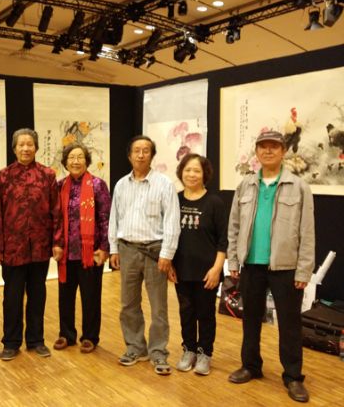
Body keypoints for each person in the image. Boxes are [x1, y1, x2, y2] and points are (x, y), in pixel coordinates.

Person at [227, 130, 315, 403]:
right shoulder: (245, 186)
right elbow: (234, 227)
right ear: (256, 152)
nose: (268, 151)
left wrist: (304, 270)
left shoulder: (299, 187)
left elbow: (307, 232)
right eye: (263, 147)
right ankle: (251, 366)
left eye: (273, 147)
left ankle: (293, 376)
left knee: (289, 325)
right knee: (250, 321)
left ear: (283, 151)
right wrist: (233, 259)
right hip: (251, 265)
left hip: (285, 267)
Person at [108, 135, 180, 375]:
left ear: (152, 155)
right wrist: (114, 248)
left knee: (158, 306)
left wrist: (167, 253)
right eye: (136, 151)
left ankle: (158, 351)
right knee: (128, 304)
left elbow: (172, 221)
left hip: (155, 251)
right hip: (127, 249)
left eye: (146, 151)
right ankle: (135, 347)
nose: (141, 155)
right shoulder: (121, 185)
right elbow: (114, 218)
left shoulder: (164, 184)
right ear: (129, 155)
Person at [0, 128, 63, 361]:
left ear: (36, 147)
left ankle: (36, 340)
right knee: (12, 297)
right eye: (21, 144)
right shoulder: (3, 176)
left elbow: (56, 211)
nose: (25, 148)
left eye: (29, 144)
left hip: (40, 247)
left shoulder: (47, 175)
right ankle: (11, 343)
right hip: (13, 248)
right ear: (14, 148)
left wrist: (57, 241)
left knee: (37, 295)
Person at [172, 153, 227, 376]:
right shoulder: (175, 200)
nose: (191, 174)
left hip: (207, 271)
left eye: (196, 170)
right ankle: (189, 350)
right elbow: (167, 234)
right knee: (186, 312)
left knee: (205, 314)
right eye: (187, 170)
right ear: (181, 173)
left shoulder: (214, 203)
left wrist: (217, 268)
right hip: (181, 269)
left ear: (205, 174)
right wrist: (169, 264)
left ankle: (205, 353)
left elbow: (223, 240)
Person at [53, 142, 111, 354]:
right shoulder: (60, 186)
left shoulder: (97, 185)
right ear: (65, 162)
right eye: (71, 157)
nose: (75, 161)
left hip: (90, 252)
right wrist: (56, 243)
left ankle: (90, 336)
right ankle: (66, 334)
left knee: (91, 297)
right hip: (67, 253)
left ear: (87, 161)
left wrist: (104, 247)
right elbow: (56, 219)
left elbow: (105, 218)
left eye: (80, 157)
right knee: (65, 297)